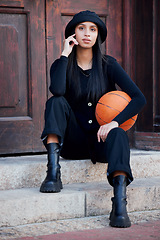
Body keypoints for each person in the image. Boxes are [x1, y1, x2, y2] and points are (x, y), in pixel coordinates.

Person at [40, 10, 146, 228]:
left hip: (102, 142)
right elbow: (58, 90)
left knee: (118, 133)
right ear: (72, 34)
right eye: (81, 28)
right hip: (73, 142)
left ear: (98, 35)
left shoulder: (109, 65)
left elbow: (139, 98)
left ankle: (119, 205)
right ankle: (52, 173)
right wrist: (64, 54)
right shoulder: (61, 65)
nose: (87, 33)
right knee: (55, 102)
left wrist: (114, 122)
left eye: (93, 29)